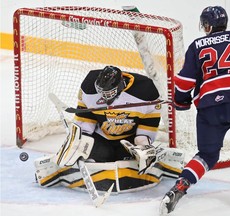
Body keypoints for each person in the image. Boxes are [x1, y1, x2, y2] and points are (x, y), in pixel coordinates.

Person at [159, 6, 230, 214]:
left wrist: (181, 101)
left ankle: (180, 187)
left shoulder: (197, 45)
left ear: (206, 25)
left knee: (207, 154)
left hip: (208, 107)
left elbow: (185, 81)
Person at [34, 66, 185, 193]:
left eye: (109, 94)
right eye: (102, 93)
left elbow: (147, 128)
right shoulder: (88, 87)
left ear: (120, 86)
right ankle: (58, 167)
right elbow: (86, 124)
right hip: (102, 139)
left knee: (137, 160)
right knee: (92, 153)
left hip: (128, 141)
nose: (104, 98)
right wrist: (79, 143)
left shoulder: (146, 91)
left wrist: (143, 146)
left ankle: (158, 158)